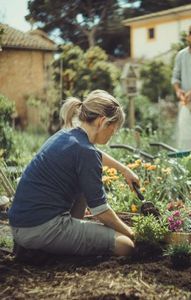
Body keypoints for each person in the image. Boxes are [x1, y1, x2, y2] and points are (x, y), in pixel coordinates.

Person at [8, 90, 138, 258]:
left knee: (84, 185)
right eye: (114, 129)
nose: (114, 134)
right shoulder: (86, 152)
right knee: (126, 245)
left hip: (21, 224)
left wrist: (125, 170)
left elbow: (94, 154)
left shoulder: (67, 135)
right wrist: (132, 233)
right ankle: (46, 249)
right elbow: (101, 212)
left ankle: (49, 245)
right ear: (102, 121)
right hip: (41, 229)